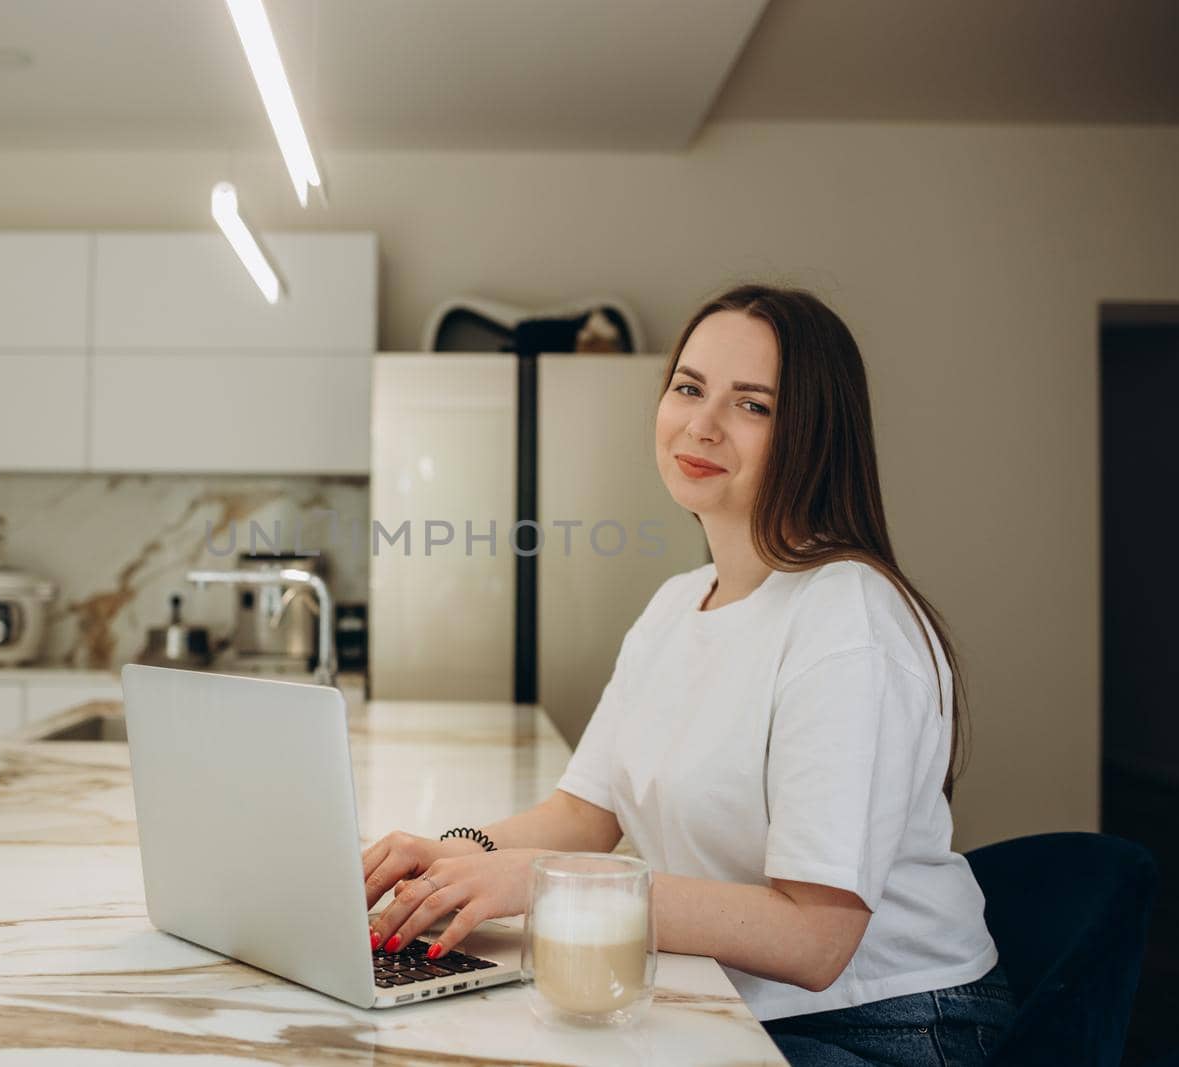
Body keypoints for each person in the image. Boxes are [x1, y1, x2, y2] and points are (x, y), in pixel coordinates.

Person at [361, 284, 1017, 1066]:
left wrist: (537, 880)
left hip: (884, 1024)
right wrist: (452, 857)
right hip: (729, 994)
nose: (701, 424)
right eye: (689, 387)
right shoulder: (678, 603)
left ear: (813, 435)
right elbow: (582, 815)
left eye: (753, 405)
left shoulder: (849, 618)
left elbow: (816, 938)